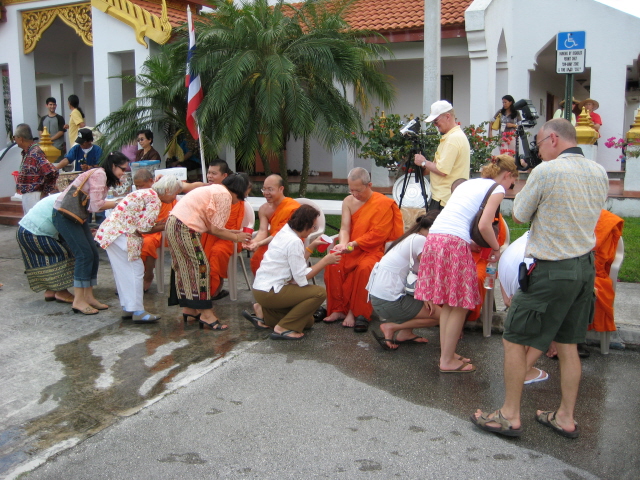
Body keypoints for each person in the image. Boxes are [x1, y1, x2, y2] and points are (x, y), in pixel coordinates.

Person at [471, 118, 609, 439]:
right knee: (568, 344)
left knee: (514, 338)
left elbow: (519, 213)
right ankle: (565, 417)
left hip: (550, 268)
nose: (537, 151)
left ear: (553, 140)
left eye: (539, 144)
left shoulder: (547, 172)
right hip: (583, 268)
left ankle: (509, 414)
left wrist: (531, 175)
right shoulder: (599, 171)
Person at [415, 155, 518, 373]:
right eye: (512, 183)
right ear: (507, 175)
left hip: (435, 239)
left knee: (449, 304)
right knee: (460, 305)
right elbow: (484, 225)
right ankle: (446, 361)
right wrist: (497, 248)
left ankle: (447, 355)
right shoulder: (496, 189)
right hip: (452, 242)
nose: (510, 188)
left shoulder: (470, 183)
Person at [323, 167, 404, 332]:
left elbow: (378, 235)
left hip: (372, 250)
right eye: (351, 189)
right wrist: (343, 245)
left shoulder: (383, 203)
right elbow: (344, 228)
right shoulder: (348, 201)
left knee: (363, 269)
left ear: (369, 185)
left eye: (358, 190)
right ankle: (338, 309)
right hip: (351, 247)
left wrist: (352, 245)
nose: (354, 194)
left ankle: (356, 312)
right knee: (333, 263)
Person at [165, 181, 252, 330]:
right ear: (240, 191)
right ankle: (206, 314)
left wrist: (232, 233)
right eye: (247, 193)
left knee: (185, 267)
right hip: (185, 228)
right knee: (201, 268)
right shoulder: (225, 196)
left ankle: (190, 309)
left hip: (174, 224)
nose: (246, 197)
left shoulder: (217, 190)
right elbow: (216, 230)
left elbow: (212, 228)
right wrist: (237, 238)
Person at [96, 175, 182, 323]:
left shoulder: (145, 193)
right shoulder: (154, 198)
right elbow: (144, 228)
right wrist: (170, 223)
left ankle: (128, 308)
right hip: (122, 236)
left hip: (110, 233)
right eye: (174, 194)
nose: (174, 197)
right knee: (135, 271)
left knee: (123, 273)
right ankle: (138, 311)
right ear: (167, 190)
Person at [52, 152, 129, 315]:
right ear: (113, 166)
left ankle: (88, 296)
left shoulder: (104, 177)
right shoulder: (100, 174)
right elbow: (95, 206)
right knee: (83, 254)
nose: (124, 172)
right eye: (122, 169)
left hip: (77, 216)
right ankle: (78, 300)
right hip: (65, 215)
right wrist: (119, 202)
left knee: (93, 253)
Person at [249, 205, 341, 340]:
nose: (312, 231)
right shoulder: (294, 241)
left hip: (261, 289)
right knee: (319, 293)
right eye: (313, 227)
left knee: (308, 321)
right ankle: (282, 328)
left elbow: (295, 263)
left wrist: (311, 247)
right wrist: (325, 261)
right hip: (272, 291)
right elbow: (300, 277)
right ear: (306, 224)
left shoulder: (285, 231)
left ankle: (263, 312)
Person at [367, 211, 443, 350]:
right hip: (390, 302)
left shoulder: (410, 237)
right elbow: (430, 271)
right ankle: (391, 327)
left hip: (379, 299)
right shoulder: (421, 241)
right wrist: (426, 295)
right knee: (443, 316)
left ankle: (405, 333)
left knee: (430, 307)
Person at [16, 193, 74, 304]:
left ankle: (50, 291)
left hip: (25, 230)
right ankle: (62, 292)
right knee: (62, 255)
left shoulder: (64, 195)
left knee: (47, 261)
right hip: (35, 232)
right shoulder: (69, 198)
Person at [413, 100, 471, 210]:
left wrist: (424, 162)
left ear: (448, 116)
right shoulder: (452, 136)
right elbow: (440, 166)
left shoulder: (453, 139)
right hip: (447, 197)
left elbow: (442, 170)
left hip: (445, 199)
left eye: (436, 121)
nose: (435, 125)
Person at [201, 173, 251, 300]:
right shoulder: (219, 196)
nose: (244, 196)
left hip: (229, 237)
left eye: (214, 173)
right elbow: (212, 225)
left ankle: (213, 290)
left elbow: (235, 226)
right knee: (203, 253)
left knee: (217, 252)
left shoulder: (238, 202)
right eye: (209, 172)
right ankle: (202, 290)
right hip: (212, 233)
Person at [246, 174, 300, 275]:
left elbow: (282, 234)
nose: (266, 193)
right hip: (272, 242)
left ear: (281, 189)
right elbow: (263, 231)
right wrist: (254, 242)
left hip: (288, 244)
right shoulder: (264, 209)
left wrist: (260, 243)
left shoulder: (292, 207)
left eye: (270, 189)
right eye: (264, 189)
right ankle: (262, 287)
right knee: (258, 257)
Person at [14, 123, 59, 214]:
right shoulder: (28, 152)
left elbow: (52, 172)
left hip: (34, 194)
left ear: (20, 138)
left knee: (34, 224)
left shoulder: (35, 152)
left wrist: (45, 191)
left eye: (14, 137)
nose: (14, 139)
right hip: (28, 194)